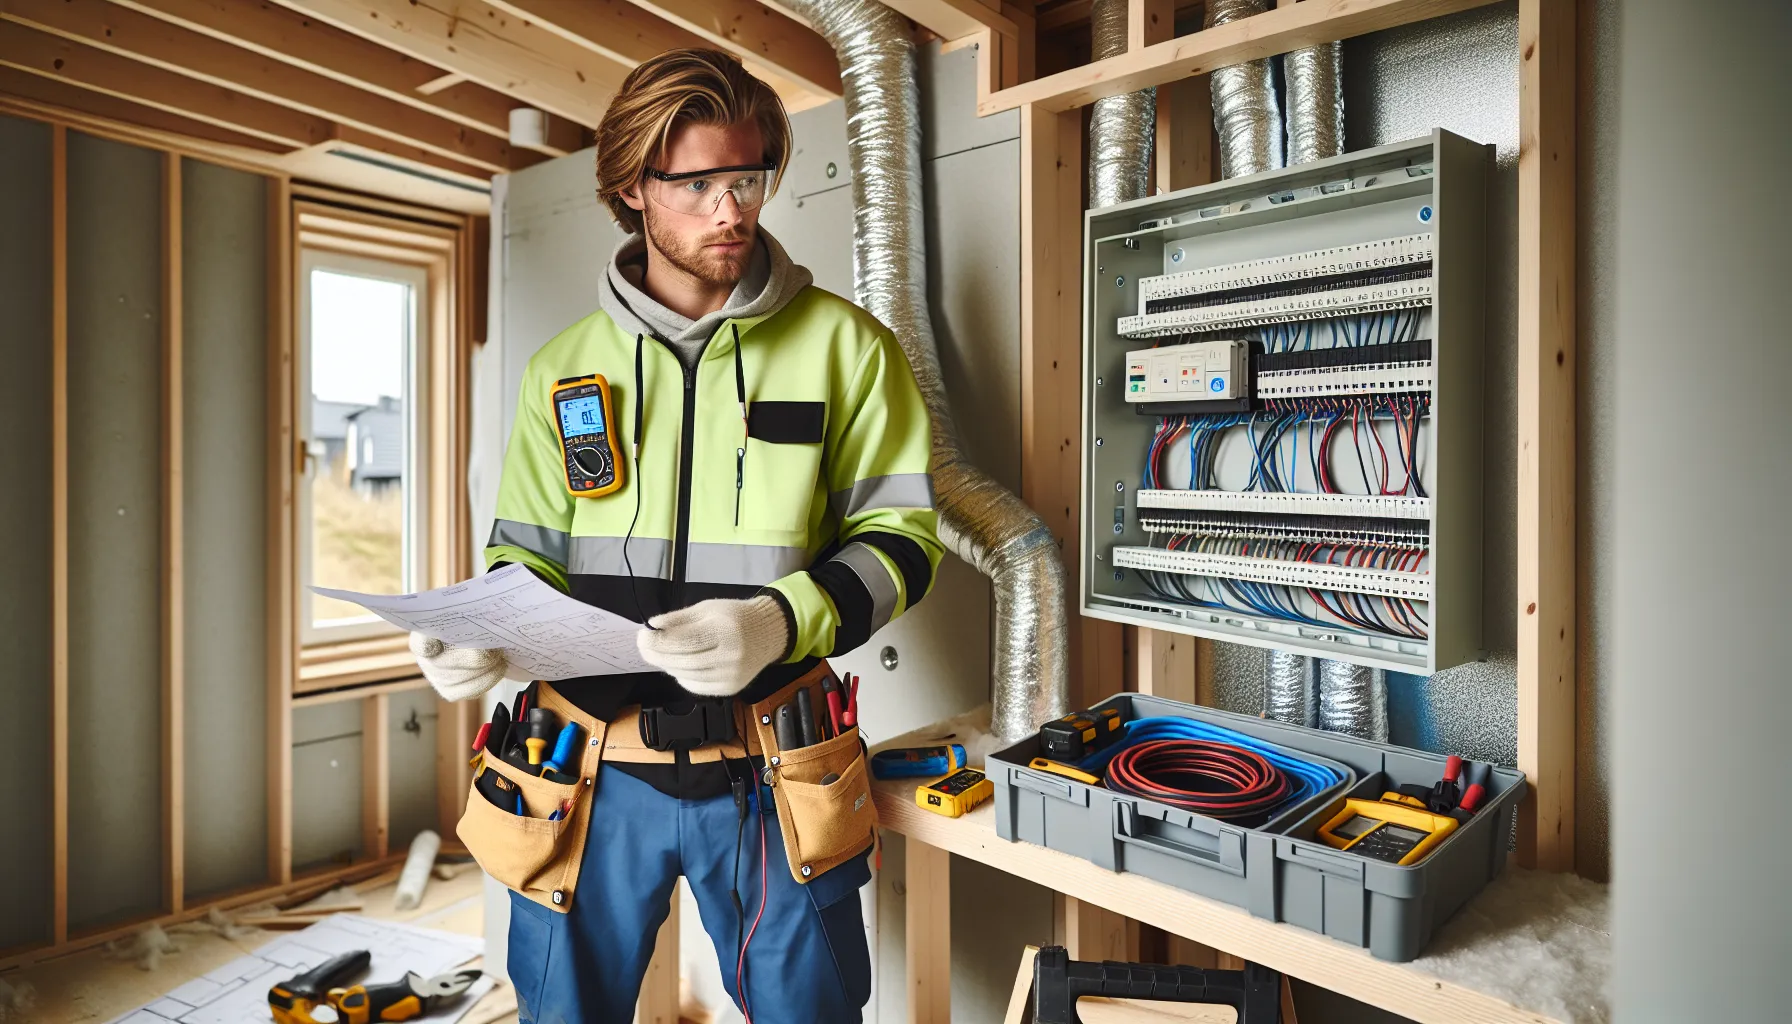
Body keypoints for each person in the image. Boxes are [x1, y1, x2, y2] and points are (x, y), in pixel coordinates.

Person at [413, 48, 942, 1023]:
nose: (731, 210)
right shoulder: (563, 369)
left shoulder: (847, 349)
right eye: (697, 183)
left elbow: (904, 547)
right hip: (584, 777)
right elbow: (522, 556)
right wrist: (473, 632)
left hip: (772, 771)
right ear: (632, 188)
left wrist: (776, 624)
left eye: (746, 179)